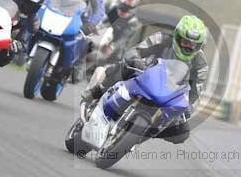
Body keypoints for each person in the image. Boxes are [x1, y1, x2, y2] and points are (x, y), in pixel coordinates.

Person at [81, 15, 208, 144]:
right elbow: (136, 50)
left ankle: (139, 136)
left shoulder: (201, 64)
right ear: (177, 36)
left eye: (193, 45)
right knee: (124, 67)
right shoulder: (162, 38)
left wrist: (187, 110)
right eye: (185, 42)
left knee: (182, 131)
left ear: (199, 46)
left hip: (170, 94)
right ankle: (95, 92)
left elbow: (196, 92)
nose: (188, 47)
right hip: (146, 74)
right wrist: (135, 60)